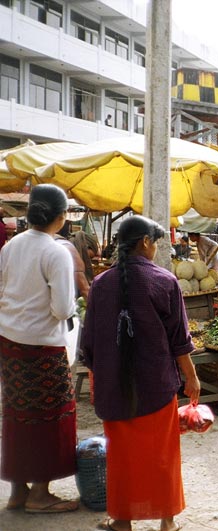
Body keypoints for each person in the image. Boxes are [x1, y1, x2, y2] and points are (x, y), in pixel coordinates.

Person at [81, 215, 200, 531]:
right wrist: (192, 377)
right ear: (145, 242)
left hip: (114, 388)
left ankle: (121, 520)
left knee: (121, 458)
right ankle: (167, 521)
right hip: (157, 384)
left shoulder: (100, 285)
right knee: (162, 455)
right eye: (156, 242)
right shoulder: (165, 281)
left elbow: (89, 345)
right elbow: (179, 340)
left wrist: (104, 378)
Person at [0, 184, 79, 514]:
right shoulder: (56, 251)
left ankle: (19, 490)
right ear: (60, 218)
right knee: (50, 418)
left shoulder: (11, 246)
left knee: (17, 414)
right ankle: (40, 494)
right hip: (42, 345)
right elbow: (62, 309)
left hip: (9, 340)